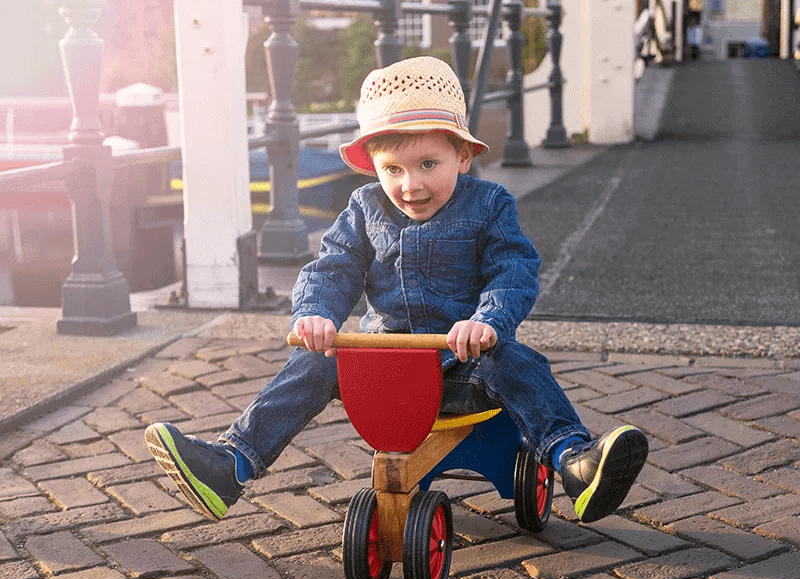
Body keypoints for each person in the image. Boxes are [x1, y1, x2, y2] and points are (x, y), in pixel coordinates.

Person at [145, 56, 648, 525]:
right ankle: (232, 463)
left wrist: (488, 322)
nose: (410, 184)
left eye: (428, 164)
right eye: (394, 169)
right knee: (312, 364)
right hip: (386, 368)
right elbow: (333, 268)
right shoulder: (365, 209)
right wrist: (316, 313)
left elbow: (512, 270)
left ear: (464, 157)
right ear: (375, 168)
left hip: (464, 365)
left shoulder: (489, 205)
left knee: (517, 362)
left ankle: (572, 460)